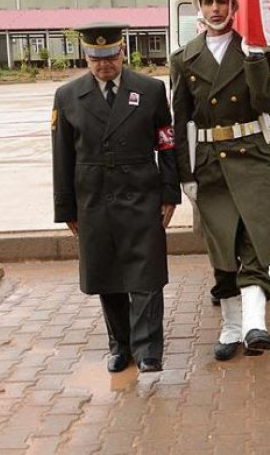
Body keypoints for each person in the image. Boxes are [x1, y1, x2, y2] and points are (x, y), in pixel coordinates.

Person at [51, 22, 181, 373]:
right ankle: (120, 345)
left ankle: (148, 349)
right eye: (96, 58)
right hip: (94, 197)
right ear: (85, 56)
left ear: (123, 52)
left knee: (146, 274)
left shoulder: (151, 90)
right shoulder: (68, 96)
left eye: (110, 56)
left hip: (142, 194)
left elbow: (167, 144)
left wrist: (170, 192)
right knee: (108, 274)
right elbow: (62, 155)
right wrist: (66, 208)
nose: (103, 64)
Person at [170, 0, 270, 361]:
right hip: (211, 163)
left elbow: (267, 102)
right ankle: (231, 326)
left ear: (235, 7)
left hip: (254, 157)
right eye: (208, 1)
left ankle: (254, 324)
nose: (215, 8)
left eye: (223, 1)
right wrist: (185, 174)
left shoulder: (252, 47)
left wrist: (254, 59)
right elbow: (180, 120)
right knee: (222, 248)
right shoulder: (184, 58)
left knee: (255, 241)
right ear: (198, 7)